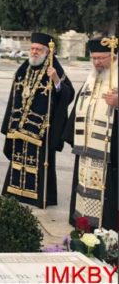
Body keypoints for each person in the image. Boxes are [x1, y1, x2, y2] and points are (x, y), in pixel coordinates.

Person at [1, 32, 74, 208]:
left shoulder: (54, 68)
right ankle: (15, 192)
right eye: (32, 48)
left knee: (40, 164)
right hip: (19, 127)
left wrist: (56, 80)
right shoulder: (23, 69)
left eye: (39, 49)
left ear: (47, 52)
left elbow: (69, 94)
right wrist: (9, 125)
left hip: (41, 130)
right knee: (17, 159)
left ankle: (39, 197)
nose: (34, 52)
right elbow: (13, 98)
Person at [63, 38, 117, 229]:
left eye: (101, 58)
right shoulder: (91, 78)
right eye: (94, 58)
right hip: (87, 147)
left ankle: (105, 227)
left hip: (110, 150)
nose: (97, 62)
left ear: (113, 57)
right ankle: (83, 223)